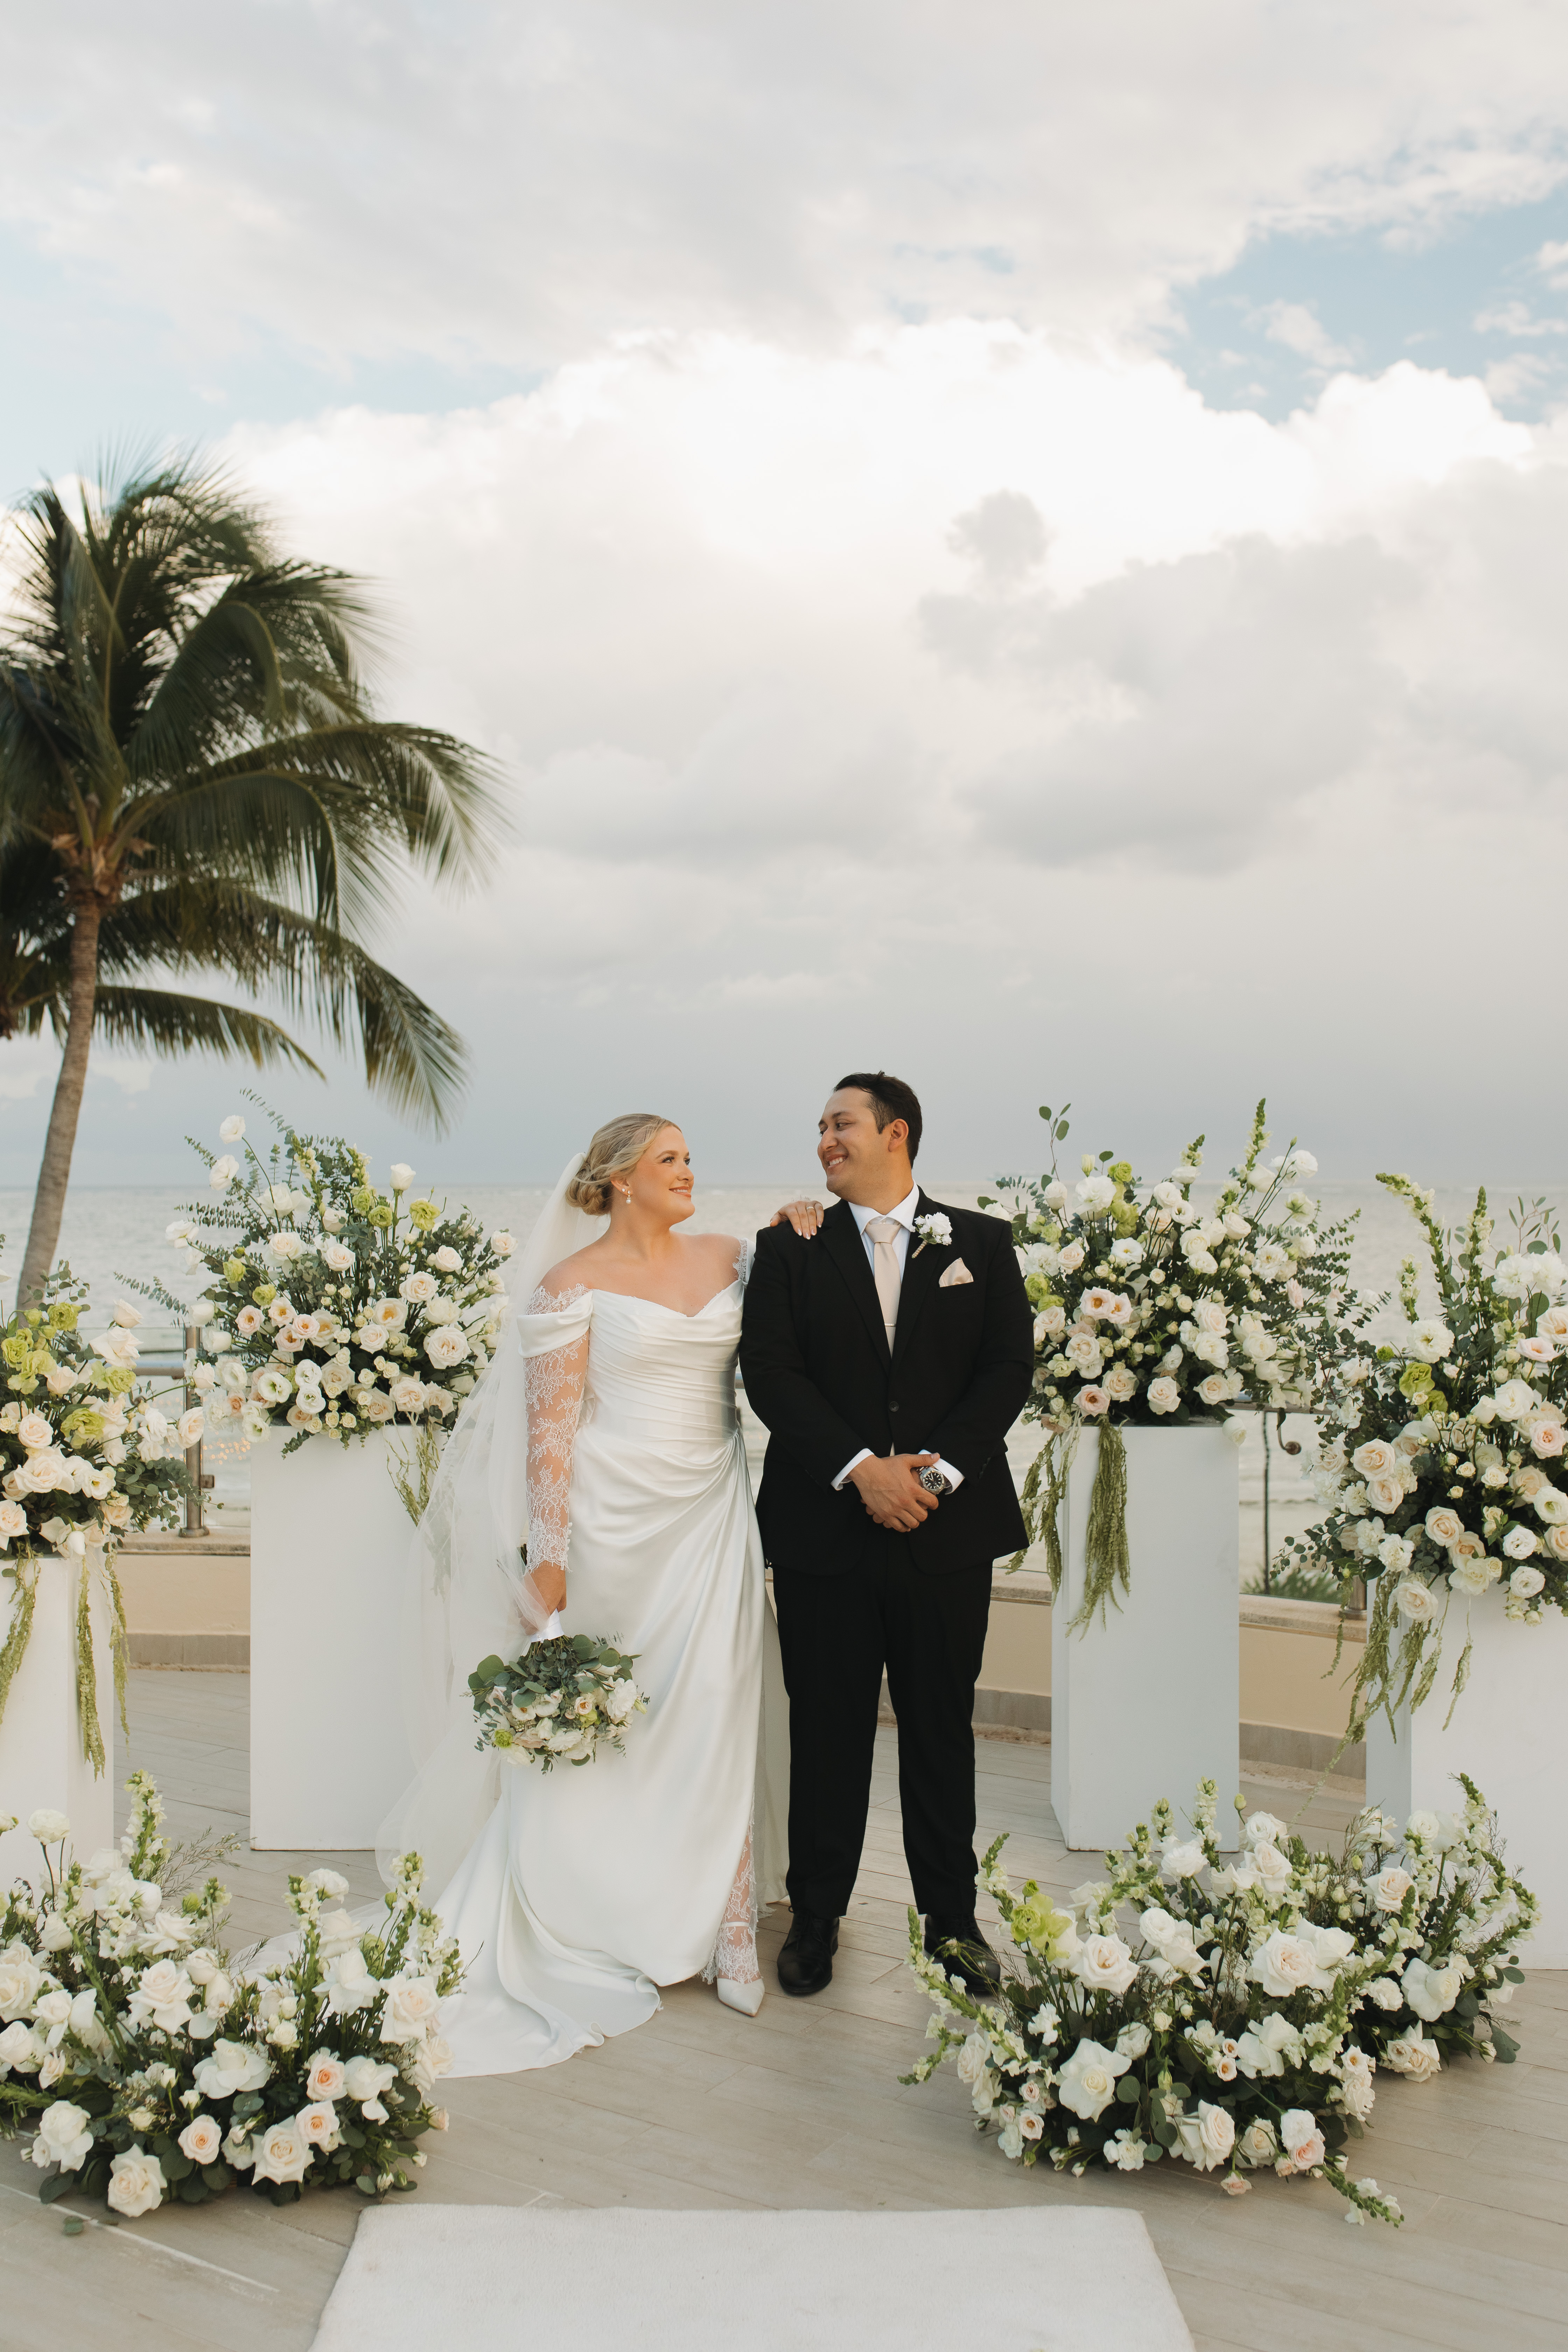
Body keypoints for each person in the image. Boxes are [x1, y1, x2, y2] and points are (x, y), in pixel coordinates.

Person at [383, 1115, 809, 2074]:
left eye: (692, 1158)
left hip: (711, 1510)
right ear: (619, 1181)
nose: (689, 1173)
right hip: (614, 1525)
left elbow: (795, 1317)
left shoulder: (734, 1258)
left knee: (719, 1705)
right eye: (670, 1160)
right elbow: (552, 1435)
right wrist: (550, 1562)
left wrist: (798, 1219)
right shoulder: (569, 1286)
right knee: (619, 1721)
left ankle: (730, 1928)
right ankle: (592, 1908)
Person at [738, 1072, 1034, 1997]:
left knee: (942, 1729)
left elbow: (1006, 1371)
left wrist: (934, 1476)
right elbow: (772, 1374)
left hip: (946, 1532)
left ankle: (952, 1920)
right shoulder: (788, 1249)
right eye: (821, 1127)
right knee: (827, 1731)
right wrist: (862, 1470)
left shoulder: (980, 1244)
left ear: (896, 1134)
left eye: (842, 1124)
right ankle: (817, 1917)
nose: (825, 1139)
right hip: (827, 1531)